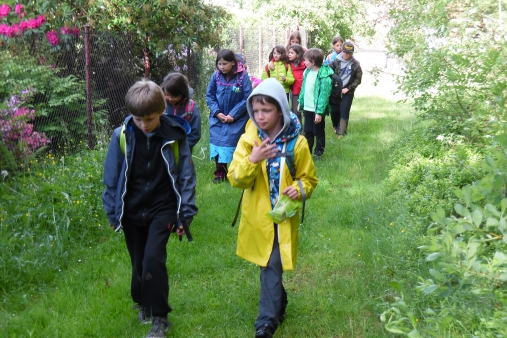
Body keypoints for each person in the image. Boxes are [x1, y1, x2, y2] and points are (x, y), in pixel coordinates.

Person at [102, 79, 198, 338]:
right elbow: (111, 177)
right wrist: (112, 211)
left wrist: (185, 213)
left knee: (153, 259)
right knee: (138, 264)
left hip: (162, 208)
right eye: (138, 119)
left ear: (162, 111)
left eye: (151, 119)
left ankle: (160, 318)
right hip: (131, 211)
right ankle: (142, 301)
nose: (144, 125)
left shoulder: (175, 135)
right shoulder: (121, 135)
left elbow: (186, 176)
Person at [227, 78, 318, 338]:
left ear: (280, 109)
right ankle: (279, 301)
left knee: (271, 265)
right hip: (259, 218)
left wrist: (299, 189)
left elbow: (309, 179)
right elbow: (236, 178)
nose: (260, 116)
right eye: (255, 111)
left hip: (283, 219)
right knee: (268, 265)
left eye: (266, 110)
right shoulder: (249, 140)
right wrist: (252, 160)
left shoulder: (296, 144)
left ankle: (265, 324)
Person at [206, 49, 253, 183]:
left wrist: (233, 115)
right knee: (217, 141)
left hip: (237, 118)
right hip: (218, 117)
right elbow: (210, 96)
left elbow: (247, 97)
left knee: (234, 143)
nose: (222, 67)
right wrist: (217, 113)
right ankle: (220, 173)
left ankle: (236, 171)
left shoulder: (242, 76)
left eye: (225, 64)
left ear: (233, 63)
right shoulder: (216, 76)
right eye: (219, 64)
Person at [298, 48, 333, 158]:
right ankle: (308, 151)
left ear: (313, 62)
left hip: (317, 110)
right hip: (307, 108)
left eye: (306, 60)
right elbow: (304, 89)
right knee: (308, 131)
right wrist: (301, 101)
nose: (304, 62)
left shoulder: (324, 76)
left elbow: (324, 96)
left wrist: (319, 112)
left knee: (318, 131)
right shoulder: (307, 72)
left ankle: (319, 152)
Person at [160, 72, 201, 153]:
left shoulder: (191, 107)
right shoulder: (160, 104)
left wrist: (182, 148)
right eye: (167, 95)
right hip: (163, 149)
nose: (170, 99)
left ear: (183, 93)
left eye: (174, 96)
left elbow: (195, 133)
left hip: (184, 151)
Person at [330, 41, 362, 137]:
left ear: (352, 53)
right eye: (344, 52)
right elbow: (328, 72)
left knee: (344, 110)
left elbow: (358, 79)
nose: (346, 54)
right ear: (341, 51)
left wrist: (349, 88)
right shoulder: (335, 61)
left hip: (348, 91)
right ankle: (335, 127)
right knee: (334, 110)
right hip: (335, 90)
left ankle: (341, 132)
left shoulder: (356, 64)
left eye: (349, 52)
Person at [286, 44, 306, 125]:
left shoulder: (305, 64)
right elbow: (278, 56)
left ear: (298, 55)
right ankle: (299, 130)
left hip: (305, 91)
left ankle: (309, 131)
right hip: (295, 92)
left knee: (307, 112)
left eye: (292, 53)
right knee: (295, 111)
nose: (289, 54)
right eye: (289, 52)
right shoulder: (289, 64)